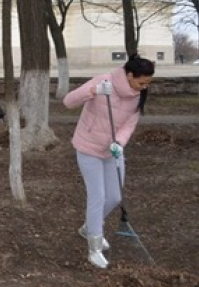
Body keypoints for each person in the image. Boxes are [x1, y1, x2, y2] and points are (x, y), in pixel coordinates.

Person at [63, 54, 155, 269]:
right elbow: (68, 102)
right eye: (141, 82)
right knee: (98, 196)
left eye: (148, 83)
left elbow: (130, 124)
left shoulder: (137, 95)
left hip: (112, 151)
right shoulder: (103, 81)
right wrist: (93, 91)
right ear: (130, 75)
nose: (144, 87)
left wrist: (119, 143)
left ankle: (89, 227)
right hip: (88, 148)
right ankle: (94, 247)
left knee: (114, 196)